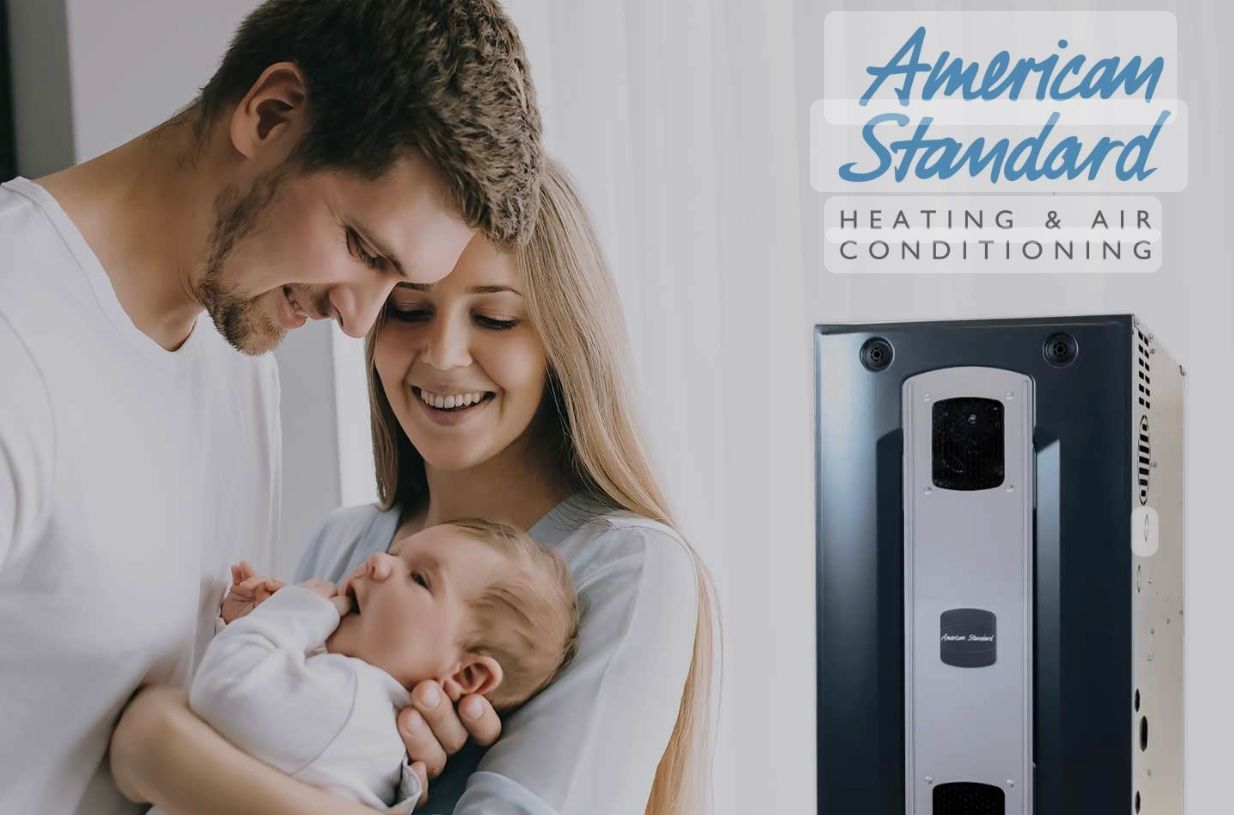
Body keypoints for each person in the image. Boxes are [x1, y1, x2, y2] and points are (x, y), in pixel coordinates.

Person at [0, 1, 543, 812]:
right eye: (364, 250)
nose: (359, 319)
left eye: (397, 284)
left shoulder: (236, 349)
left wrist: (351, 724)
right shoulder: (18, 345)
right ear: (271, 113)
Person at [110, 160, 717, 815]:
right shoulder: (344, 544)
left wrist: (158, 742)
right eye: (410, 308)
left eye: (495, 318)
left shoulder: (628, 564)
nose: (443, 352)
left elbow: (176, 740)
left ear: (561, 342)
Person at [146, 520, 579, 814]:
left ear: (466, 675)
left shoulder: (353, 706)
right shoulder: (352, 708)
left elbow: (221, 692)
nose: (379, 561)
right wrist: (246, 625)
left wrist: (293, 613)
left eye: (419, 578)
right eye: (395, 552)